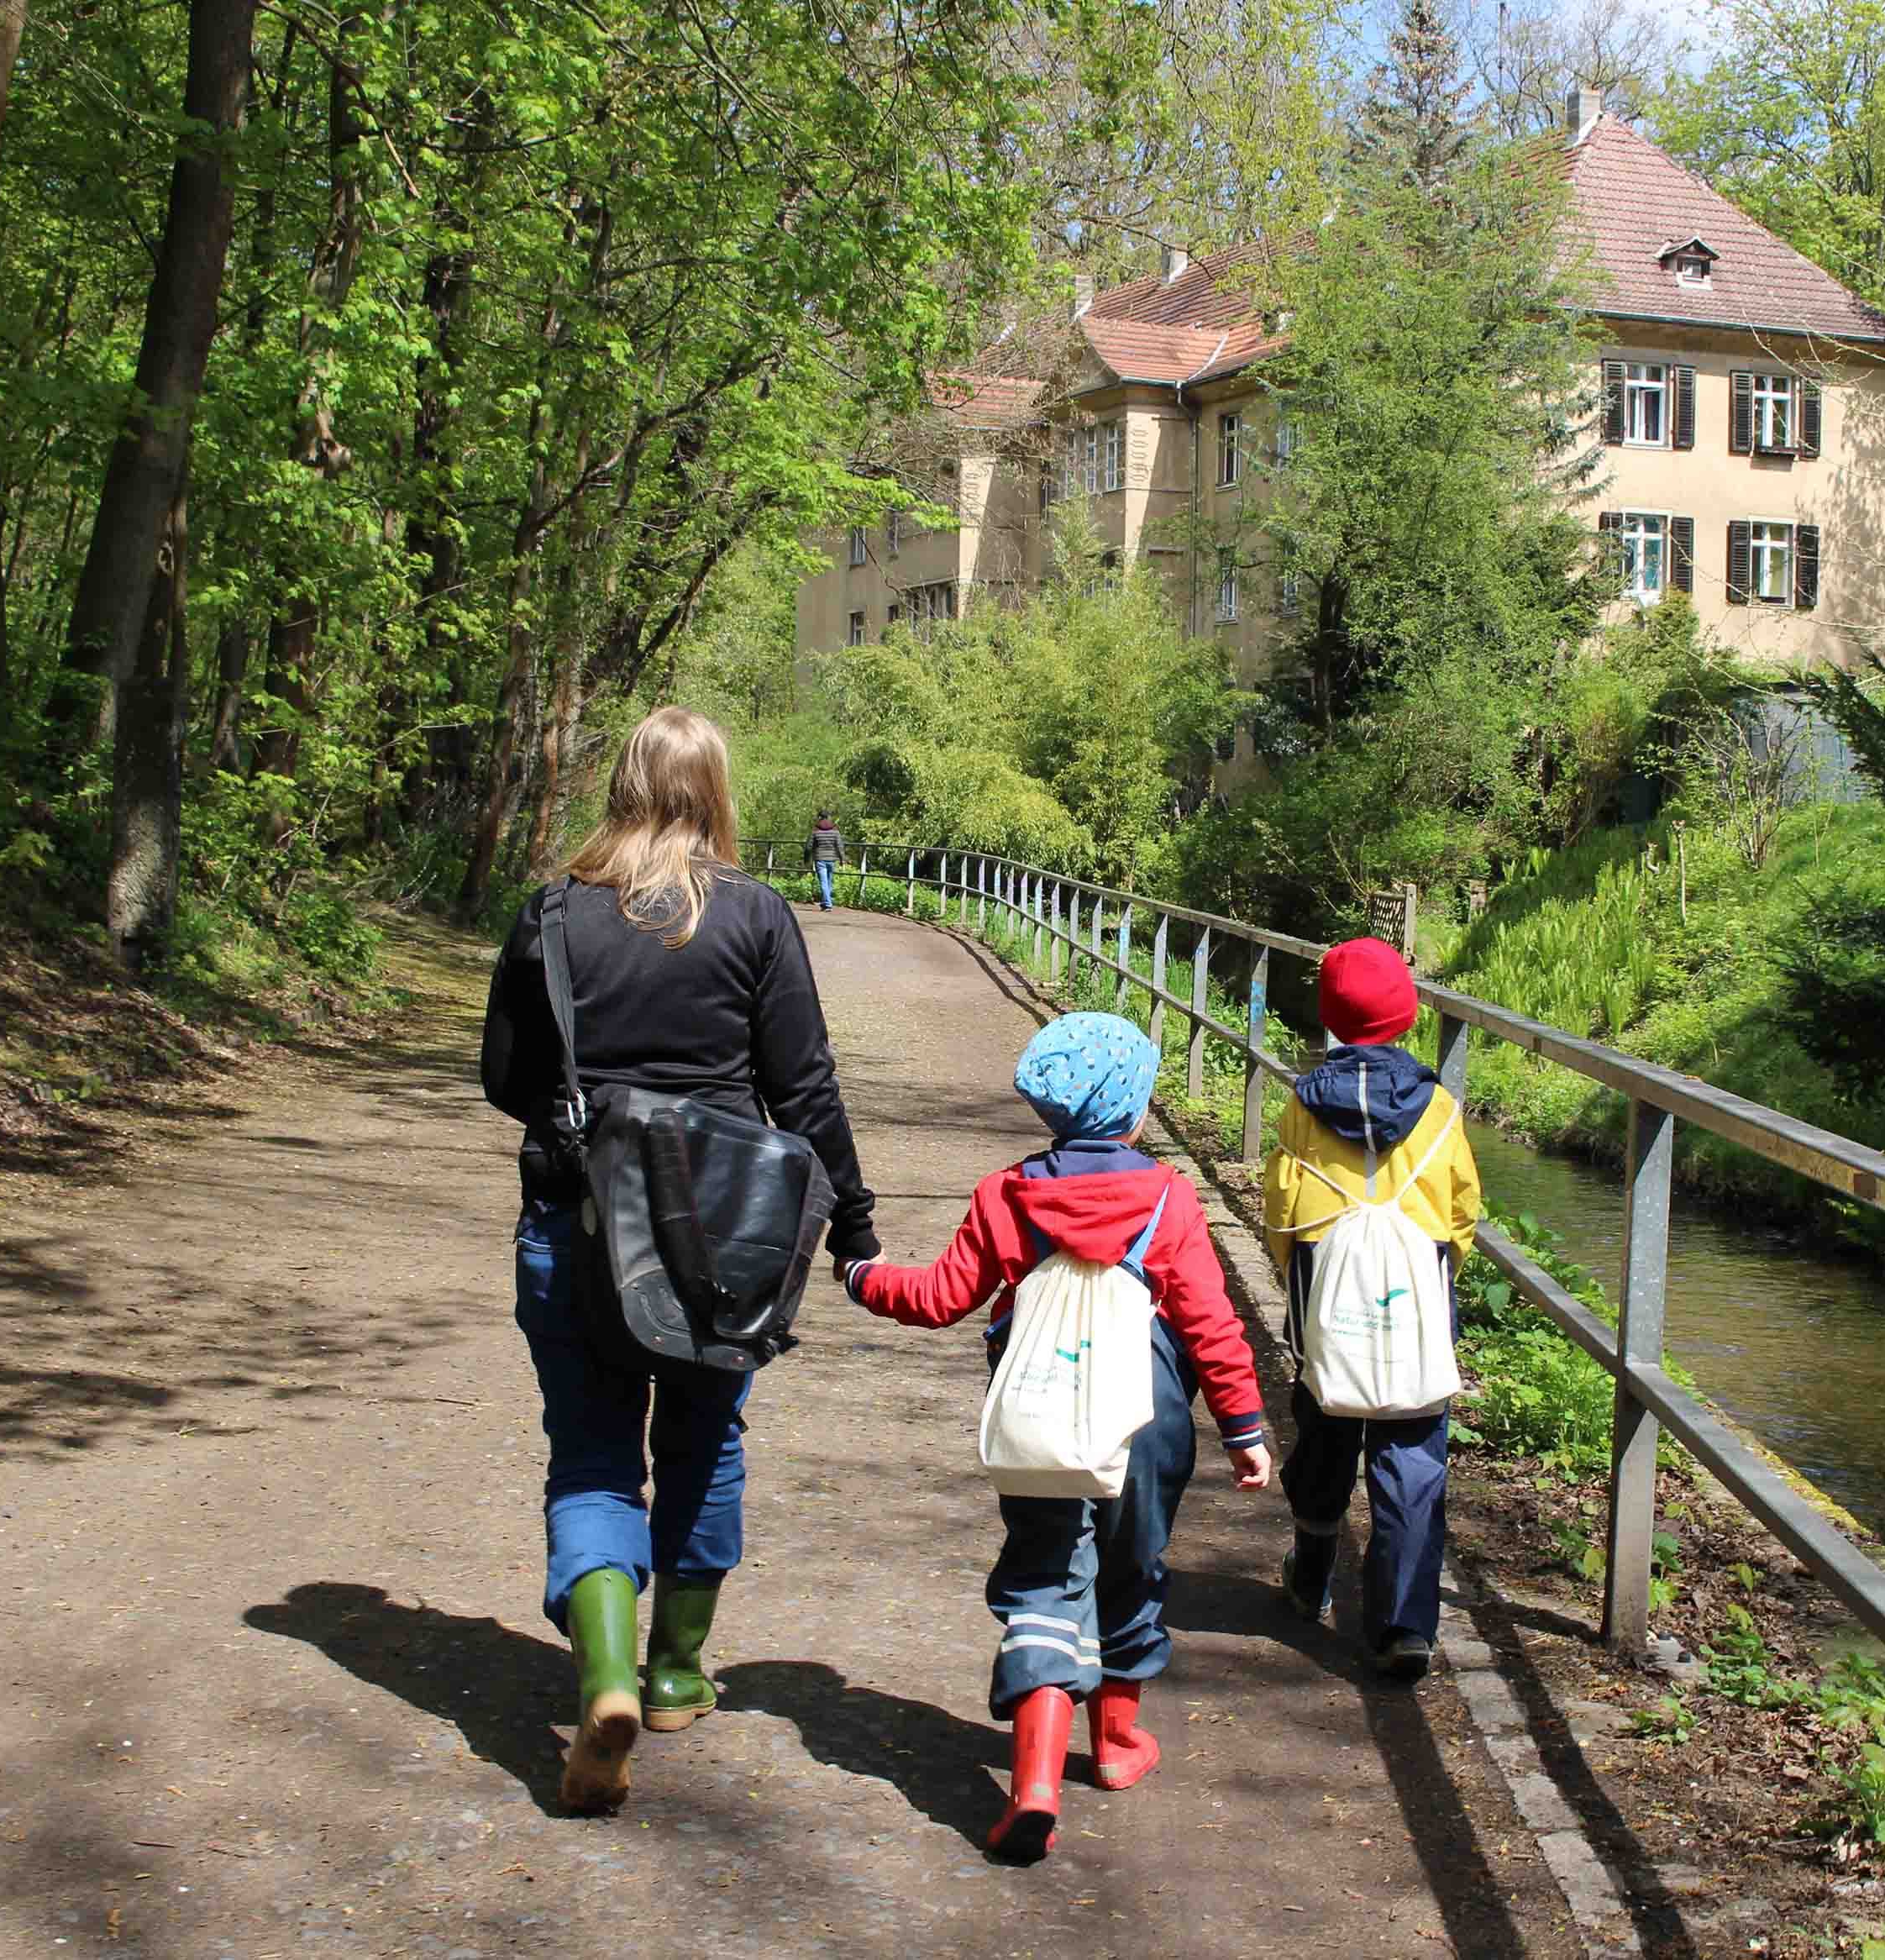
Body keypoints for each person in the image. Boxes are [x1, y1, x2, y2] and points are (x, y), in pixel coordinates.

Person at [479, 707, 879, 1816]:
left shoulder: (553, 913)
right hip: (718, 1239)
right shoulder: (753, 916)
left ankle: (599, 1675)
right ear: (713, 793)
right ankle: (670, 1673)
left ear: (621, 786)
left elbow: (506, 1078)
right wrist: (853, 1228)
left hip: (573, 1224)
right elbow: (804, 1088)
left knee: (594, 1457)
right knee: (707, 1442)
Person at [843, 1012, 1271, 1865]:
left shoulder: (1007, 1193)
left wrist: (862, 1275)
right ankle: (1113, 1746)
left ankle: (1032, 1781)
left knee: (1043, 1577)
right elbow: (1210, 1323)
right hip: (1142, 1419)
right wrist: (1243, 1427)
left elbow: (937, 1295)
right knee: (1131, 1566)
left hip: (1039, 1414)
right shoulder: (1168, 1197)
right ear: (1135, 1110)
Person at [1258, 938, 1483, 1681]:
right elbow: (1462, 1211)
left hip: (1328, 1286)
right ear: (1407, 1014)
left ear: (1328, 1016)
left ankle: (1312, 1575)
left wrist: (1304, 1280)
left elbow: (1283, 1210)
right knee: (1413, 1450)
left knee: (1325, 1430)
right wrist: (1436, 1276)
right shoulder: (1439, 1107)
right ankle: (1403, 1625)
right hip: (1411, 1296)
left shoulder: (1301, 1104)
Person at [806, 811, 844, 910]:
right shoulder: (835, 830)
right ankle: (825, 902)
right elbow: (840, 846)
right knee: (829, 881)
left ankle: (827, 904)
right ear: (828, 817)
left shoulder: (815, 830)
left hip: (820, 859)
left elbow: (809, 846)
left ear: (819, 818)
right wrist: (842, 859)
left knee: (824, 882)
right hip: (832, 859)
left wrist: (806, 858)